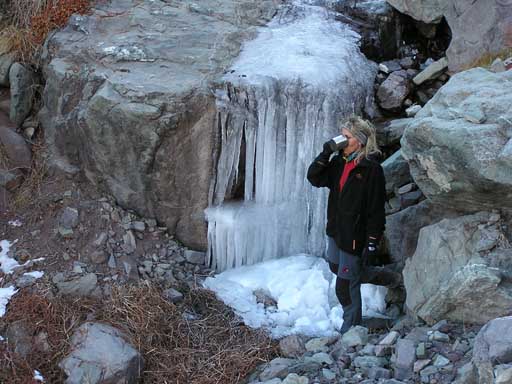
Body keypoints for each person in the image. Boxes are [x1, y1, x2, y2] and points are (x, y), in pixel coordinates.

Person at [307, 115, 387, 333]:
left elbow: (376, 210)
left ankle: (351, 330)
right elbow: (314, 178)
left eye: (346, 137)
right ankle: (383, 276)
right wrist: (326, 153)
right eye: (341, 135)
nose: (341, 140)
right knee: (335, 267)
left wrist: (372, 242)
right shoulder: (338, 162)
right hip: (335, 231)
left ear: (359, 141)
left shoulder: (371, 170)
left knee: (344, 285)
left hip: (354, 236)